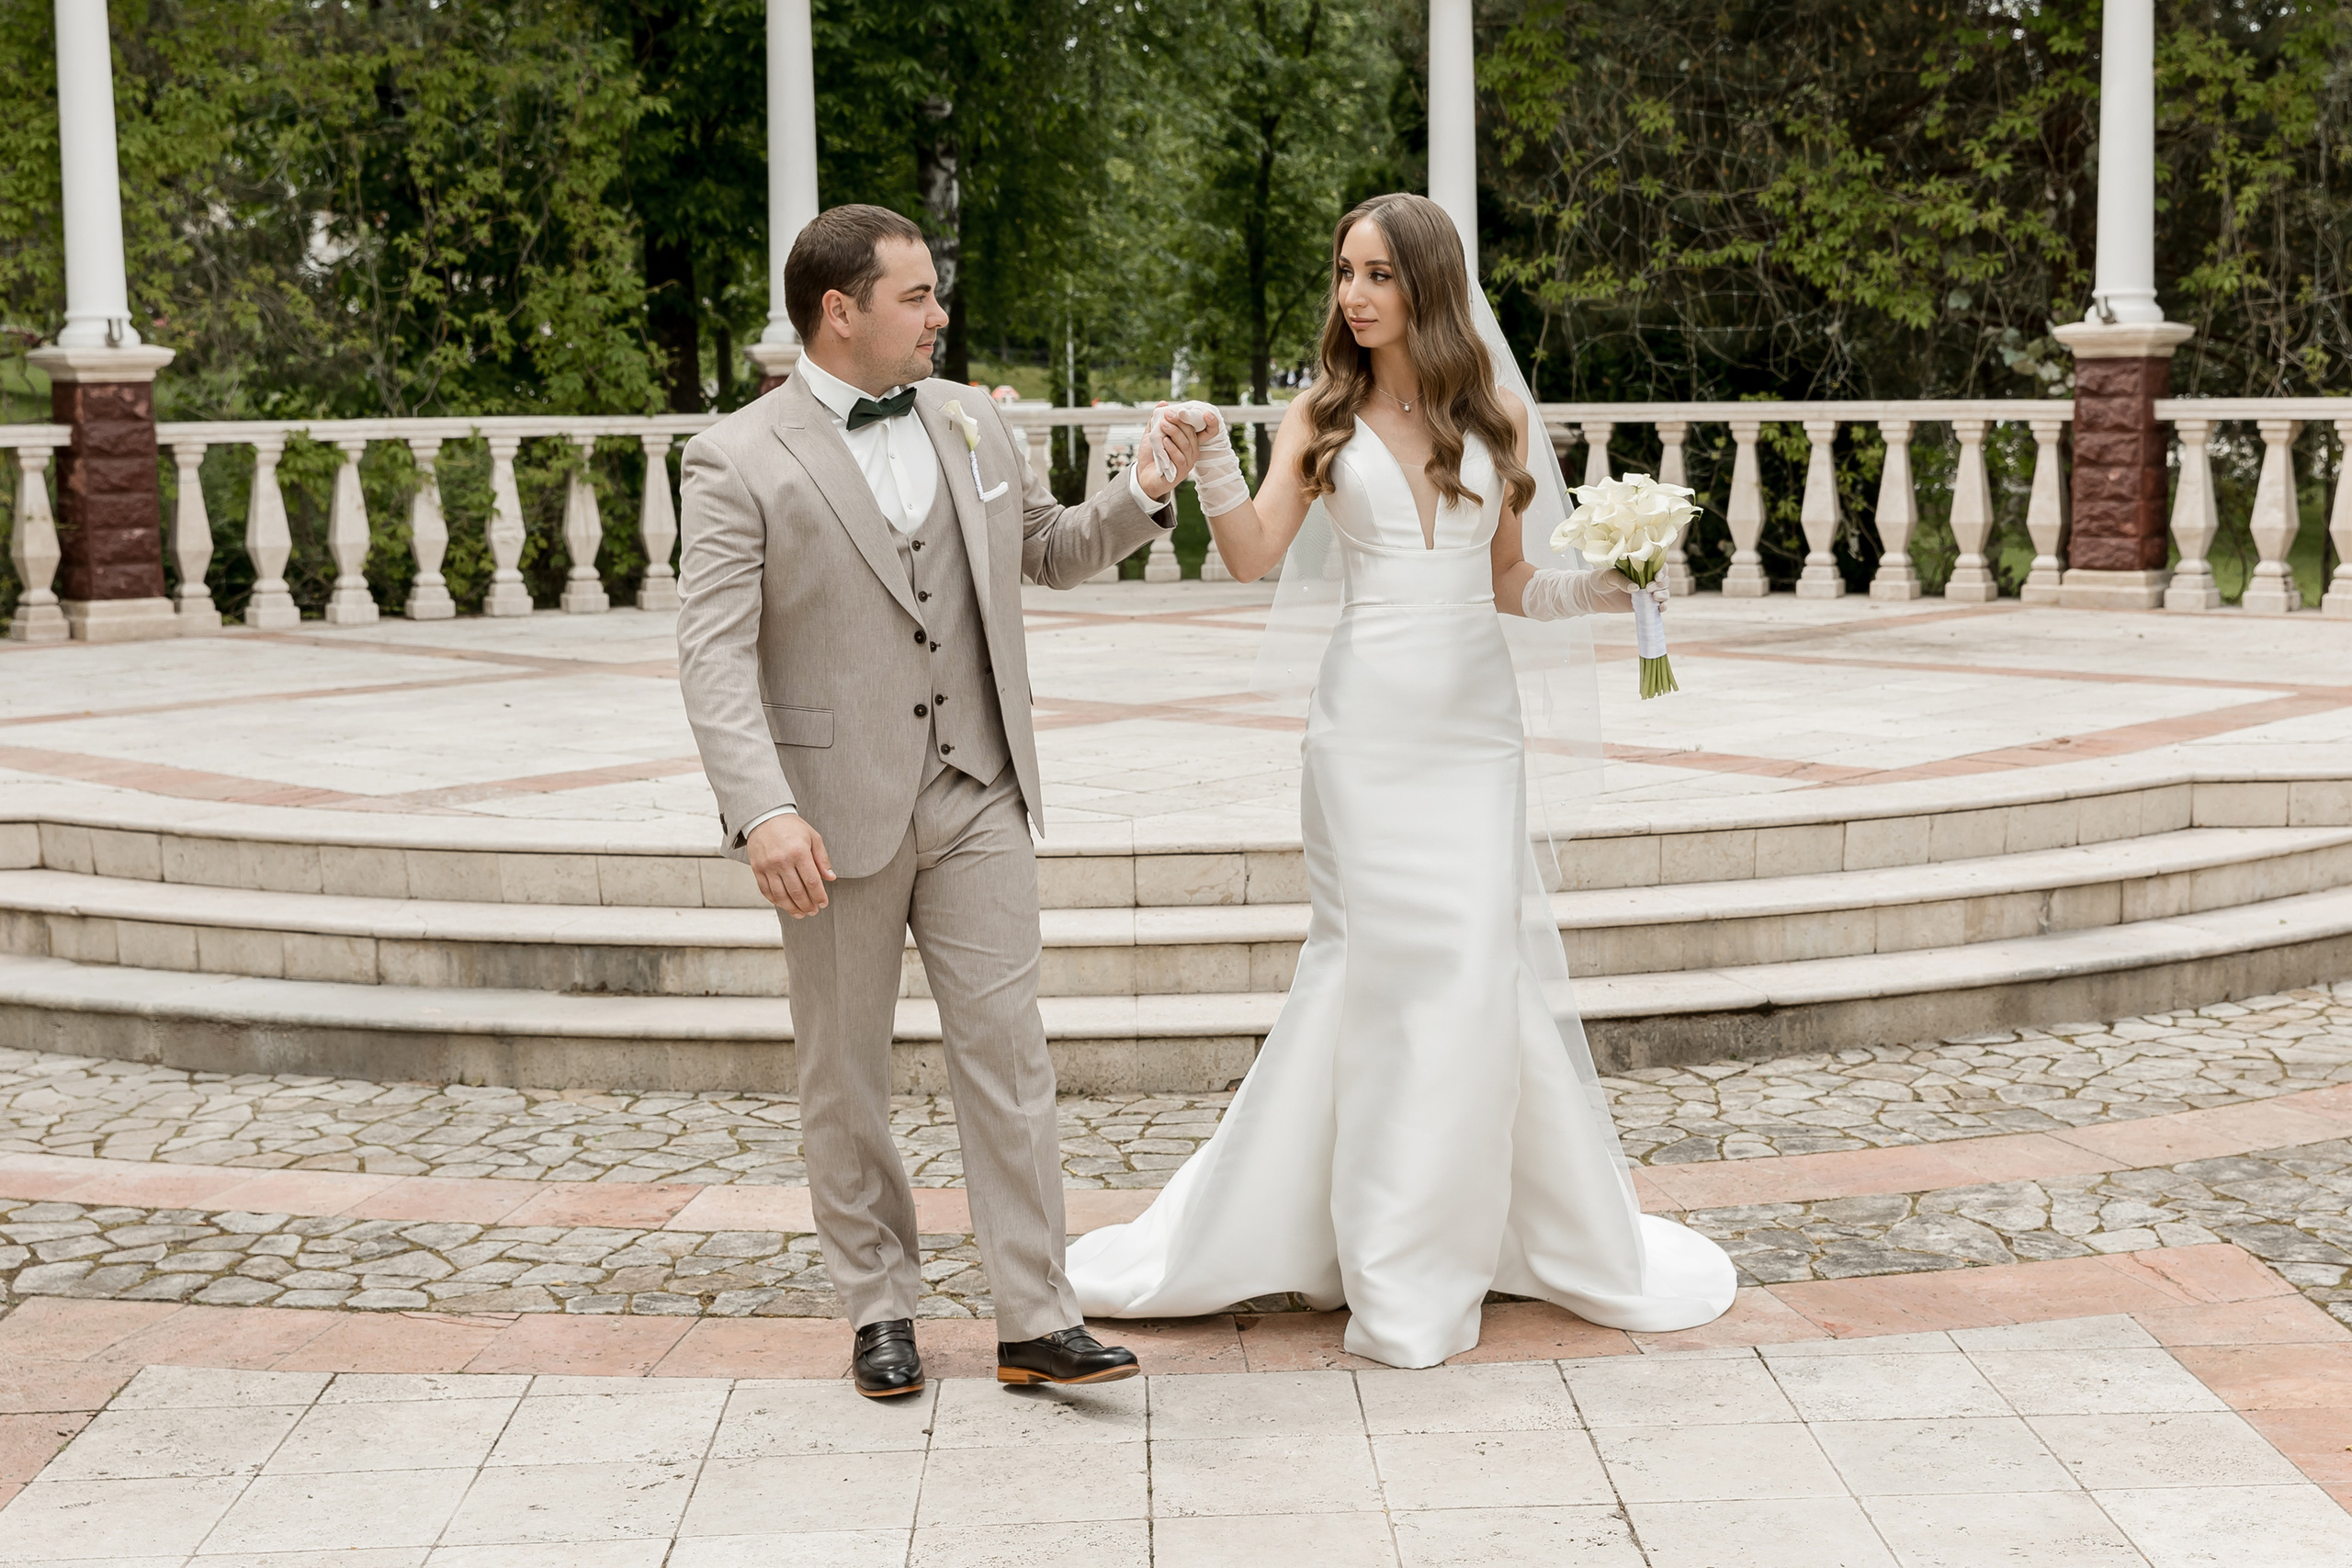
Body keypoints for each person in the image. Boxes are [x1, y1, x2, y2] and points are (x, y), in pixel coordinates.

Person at [1068, 193, 1737, 1369]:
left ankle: (1456, 1238)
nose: (1355, 295)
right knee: (1374, 974)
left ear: (1427, 282)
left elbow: (1512, 583)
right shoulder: (1318, 415)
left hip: (1475, 734)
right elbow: (1251, 556)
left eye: (1377, 273)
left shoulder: (1497, 414)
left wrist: (1606, 588)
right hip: (1364, 733)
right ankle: (1381, 1257)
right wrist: (1211, 460)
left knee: (1475, 970)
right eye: (1344, 273)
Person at [674, 204, 1203, 1396]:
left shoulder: (969, 418)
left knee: (1009, 1054)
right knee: (845, 1074)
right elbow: (710, 653)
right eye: (915, 297)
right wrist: (762, 810)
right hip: (828, 813)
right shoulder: (736, 457)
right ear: (839, 311)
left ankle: (1036, 1316)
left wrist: (1142, 488)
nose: (939, 314)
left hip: (977, 788)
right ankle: (879, 1307)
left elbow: (1051, 550)